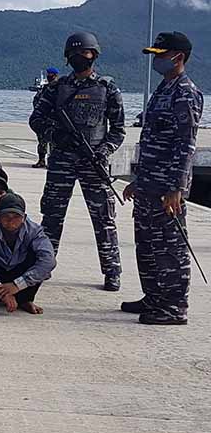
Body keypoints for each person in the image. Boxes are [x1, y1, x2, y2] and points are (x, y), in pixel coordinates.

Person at [30, 31, 125, 291]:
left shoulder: (107, 88)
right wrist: (55, 134)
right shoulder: (57, 88)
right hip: (61, 159)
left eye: (83, 53)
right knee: (51, 217)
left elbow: (118, 130)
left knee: (103, 219)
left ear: (94, 55)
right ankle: (43, 267)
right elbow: (36, 119)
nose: (78, 57)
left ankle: (112, 271)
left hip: (93, 159)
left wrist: (104, 151)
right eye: (73, 54)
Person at [122, 32, 203, 325]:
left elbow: (186, 145)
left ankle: (174, 307)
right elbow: (151, 139)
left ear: (177, 57)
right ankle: (154, 297)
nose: (156, 59)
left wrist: (176, 188)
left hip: (167, 187)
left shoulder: (186, 92)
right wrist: (138, 179)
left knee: (170, 247)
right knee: (147, 244)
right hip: (149, 184)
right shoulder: (164, 88)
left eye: (160, 54)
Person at [0, 193, 57, 314]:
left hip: (21, 274)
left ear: (24, 218)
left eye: (16, 216)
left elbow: (48, 261)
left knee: (40, 260)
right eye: (6, 216)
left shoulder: (34, 231)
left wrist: (18, 285)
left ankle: (25, 300)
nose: (11, 221)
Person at [32, 67, 61, 168]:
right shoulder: (45, 89)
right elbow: (36, 101)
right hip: (44, 120)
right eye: (48, 74)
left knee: (54, 142)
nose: (49, 76)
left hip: (55, 121)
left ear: (56, 75)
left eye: (51, 75)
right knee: (42, 141)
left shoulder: (60, 89)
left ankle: (52, 161)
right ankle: (41, 160)